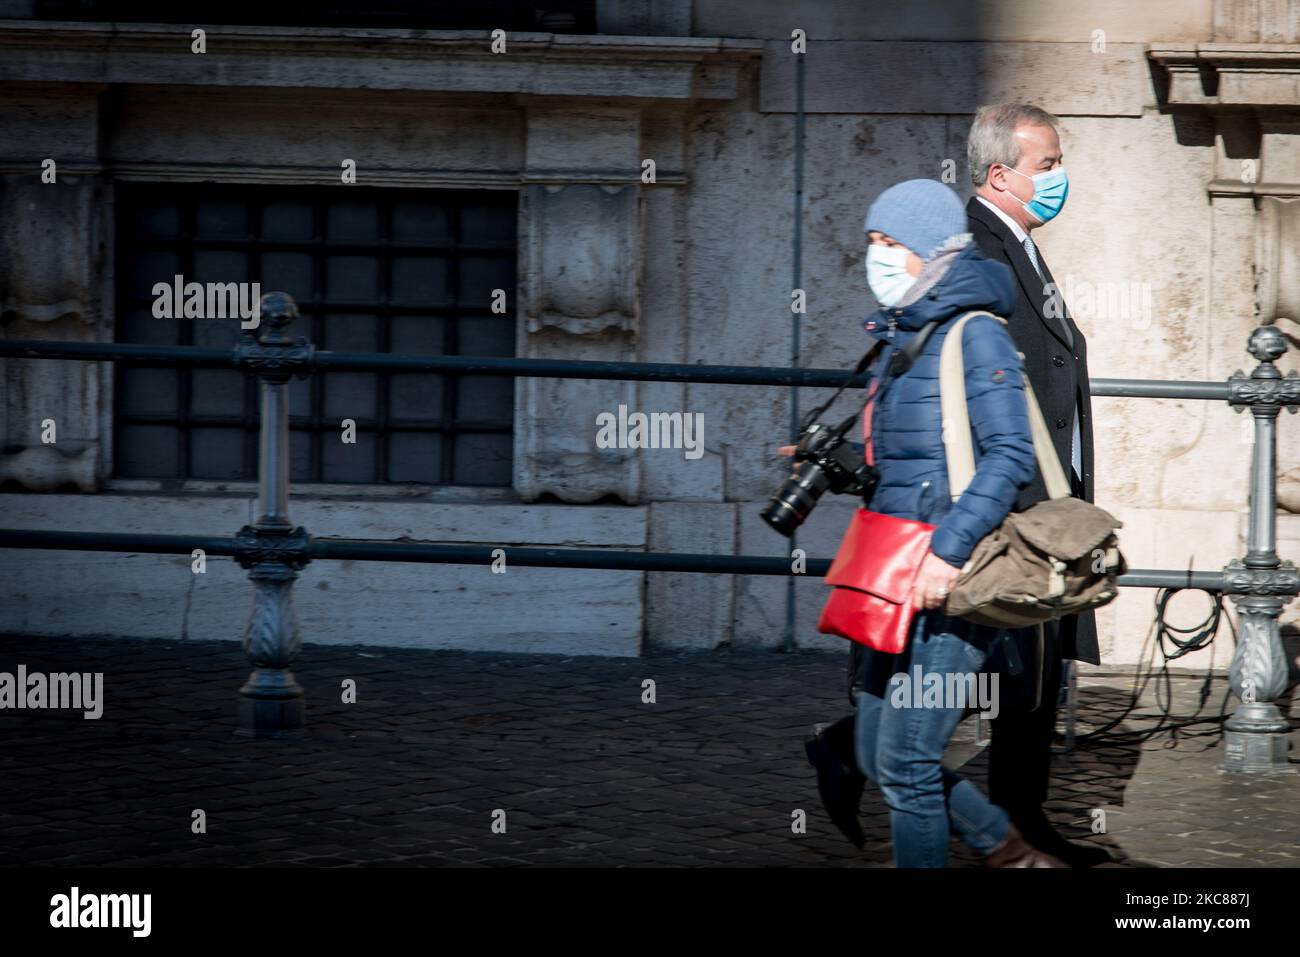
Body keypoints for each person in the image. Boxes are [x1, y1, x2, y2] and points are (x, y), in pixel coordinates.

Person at [806, 105, 1111, 868]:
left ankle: (1015, 836)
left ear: (923, 251)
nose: (875, 257)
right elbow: (921, 446)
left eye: (888, 243)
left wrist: (953, 547)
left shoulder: (968, 321)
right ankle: (1009, 842)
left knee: (918, 751)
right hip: (914, 557)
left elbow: (1006, 438)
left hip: (966, 549)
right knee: (898, 752)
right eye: (873, 242)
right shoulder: (912, 328)